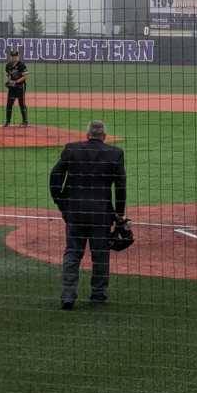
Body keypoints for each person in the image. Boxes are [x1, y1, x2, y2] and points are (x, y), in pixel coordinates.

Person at [49, 120, 127, 310]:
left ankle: (67, 295)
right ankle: (98, 296)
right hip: (101, 214)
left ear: (87, 135)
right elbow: (120, 185)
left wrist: (61, 202)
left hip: (74, 212)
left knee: (73, 254)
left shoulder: (71, 149)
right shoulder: (115, 153)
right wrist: (119, 213)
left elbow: (55, 175)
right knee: (100, 255)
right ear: (105, 136)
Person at [3, 50, 29, 127]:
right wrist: (8, 81)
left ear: (18, 56)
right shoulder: (8, 65)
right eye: (12, 56)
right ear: (10, 56)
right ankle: (8, 121)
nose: (14, 57)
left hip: (20, 86)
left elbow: (25, 77)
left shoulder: (21, 65)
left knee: (21, 104)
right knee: (9, 104)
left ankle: (25, 121)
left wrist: (15, 82)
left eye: (15, 56)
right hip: (12, 88)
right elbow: (7, 74)